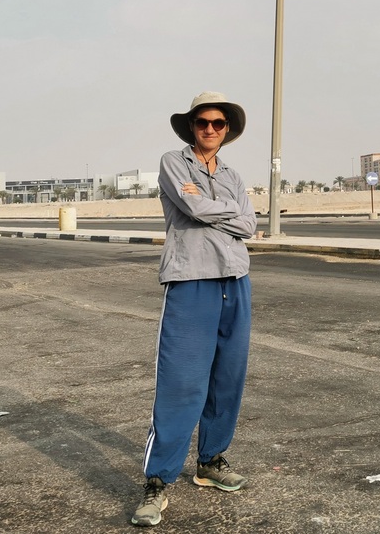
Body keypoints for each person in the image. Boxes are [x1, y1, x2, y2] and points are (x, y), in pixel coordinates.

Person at [131, 92, 258, 527]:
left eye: (218, 123)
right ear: (191, 126)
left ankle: (210, 461)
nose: (210, 129)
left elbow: (250, 224)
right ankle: (157, 482)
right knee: (181, 382)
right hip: (190, 280)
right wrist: (225, 211)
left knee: (227, 378)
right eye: (202, 122)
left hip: (235, 280)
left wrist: (213, 209)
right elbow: (192, 207)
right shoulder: (173, 163)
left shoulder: (233, 174)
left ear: (227, 130)